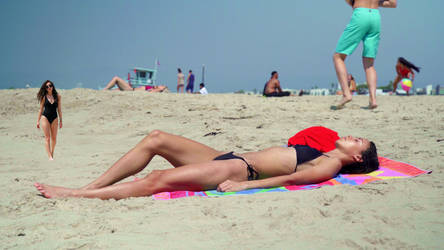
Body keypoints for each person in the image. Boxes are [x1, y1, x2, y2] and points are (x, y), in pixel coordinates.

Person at [34, 129, 378, 200]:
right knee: (156, 138)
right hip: (227, 156)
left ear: (358, 157)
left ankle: (77, 195)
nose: (353, 135)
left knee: (158, 178)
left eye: (358, 140)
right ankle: (92, 185)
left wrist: (245, 185)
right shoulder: (324, 150)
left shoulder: (330, 166)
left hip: (238, 171)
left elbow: (293, 180)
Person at [333, 0, 397, 109]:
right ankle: (373, 99)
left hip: (360, 14)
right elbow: (393, 3)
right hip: (375, 16)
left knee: (338, 57)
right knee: (369, 64)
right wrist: (376, 3)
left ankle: (346, 94)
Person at [36, 80, 63, 160]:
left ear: (52, 86)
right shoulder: (44, 97)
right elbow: (41, 109)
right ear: (45, 88)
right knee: (47, 138)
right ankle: (50, 157)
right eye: (47, 87)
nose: (49, 88)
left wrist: (61, 120)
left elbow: (59, 109)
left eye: (50, 86)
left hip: (54, 118)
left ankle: (52, 152)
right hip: (45, 117)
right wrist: (38, 121)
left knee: (54, 139)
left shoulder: (58, 96)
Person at [103, 76, 167, 92]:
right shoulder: (153, 87)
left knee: (116, 78)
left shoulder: (155, 90)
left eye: (163, 86)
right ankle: (105, 89)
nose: (161, 85)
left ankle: (104, 90)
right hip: (131, 89)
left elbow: (151, 92)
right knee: (112, 91)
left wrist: (159, 89)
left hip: (131, 90)